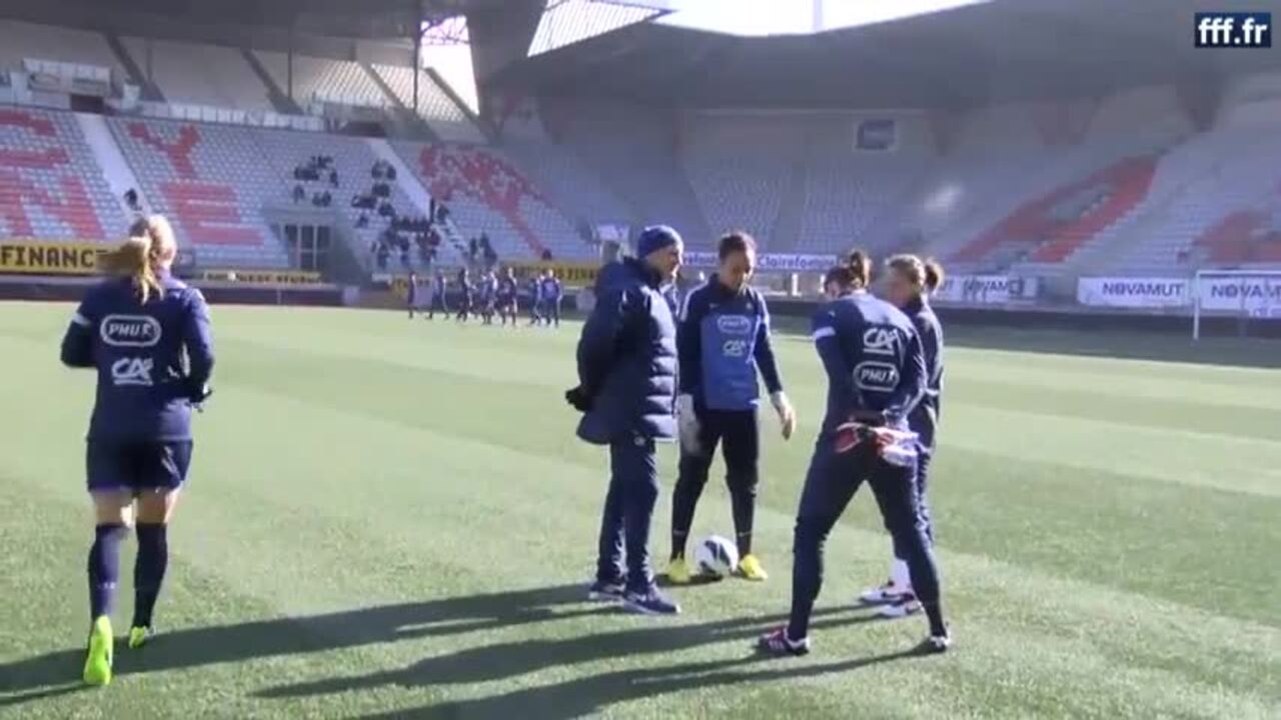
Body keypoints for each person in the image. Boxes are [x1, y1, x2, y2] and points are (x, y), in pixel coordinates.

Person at [758, 250, 949, 657]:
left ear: (833, 289)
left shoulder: (830, 314)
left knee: (811, 532)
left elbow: (837, 370)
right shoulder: (900, 319)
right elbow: (917, 381)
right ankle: (938, 630)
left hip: (846, 435)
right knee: (911, 531)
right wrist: (889, 416)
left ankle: (796, 635)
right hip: (895, 438)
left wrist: (860, 413)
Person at [60, 215, 214, 686]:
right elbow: (204, 357)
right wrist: (192, 387)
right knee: (152, 530)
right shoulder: (186, 298)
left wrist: (113, 361)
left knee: (109, 530)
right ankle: (142, 624)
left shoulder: (100, 297)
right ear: (171, 252)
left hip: (111, 427)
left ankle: (100, 622)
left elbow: (71, 352)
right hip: (165, 431)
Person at [565, 225, 684, 616]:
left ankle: (609, 575)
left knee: (623, 488)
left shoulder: (649, 291)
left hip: (637, 407)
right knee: (642, 489)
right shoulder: (631, 290)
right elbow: (595, 343)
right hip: (631, 409)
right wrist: (592, 389)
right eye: (672, 252)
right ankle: (638, 584)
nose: (679, 261)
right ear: (651, 253)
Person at [667, 232, 795, 584]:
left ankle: (747, 555)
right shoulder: (698, 300)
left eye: (748, 269)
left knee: (745, 483)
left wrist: (779, 396)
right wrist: (685, 400)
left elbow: (764, 351)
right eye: (736, 268)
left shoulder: (755, 302)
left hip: (743, 407)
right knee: (691, 479)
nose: (742, 276)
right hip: (703, 407)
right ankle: (676, 558)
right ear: (720, 264)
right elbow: (685, 353)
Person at [859, 255, 946, 618]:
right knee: (899, 509)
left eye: (896, 285)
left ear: (916, 284)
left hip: (916, 426)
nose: (890, 290)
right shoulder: (904, 317)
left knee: (913, 510)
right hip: (900, 424)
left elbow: (915, 381)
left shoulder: (920, 322)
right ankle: (899, 581)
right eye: (888, 284)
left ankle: (915, 591)